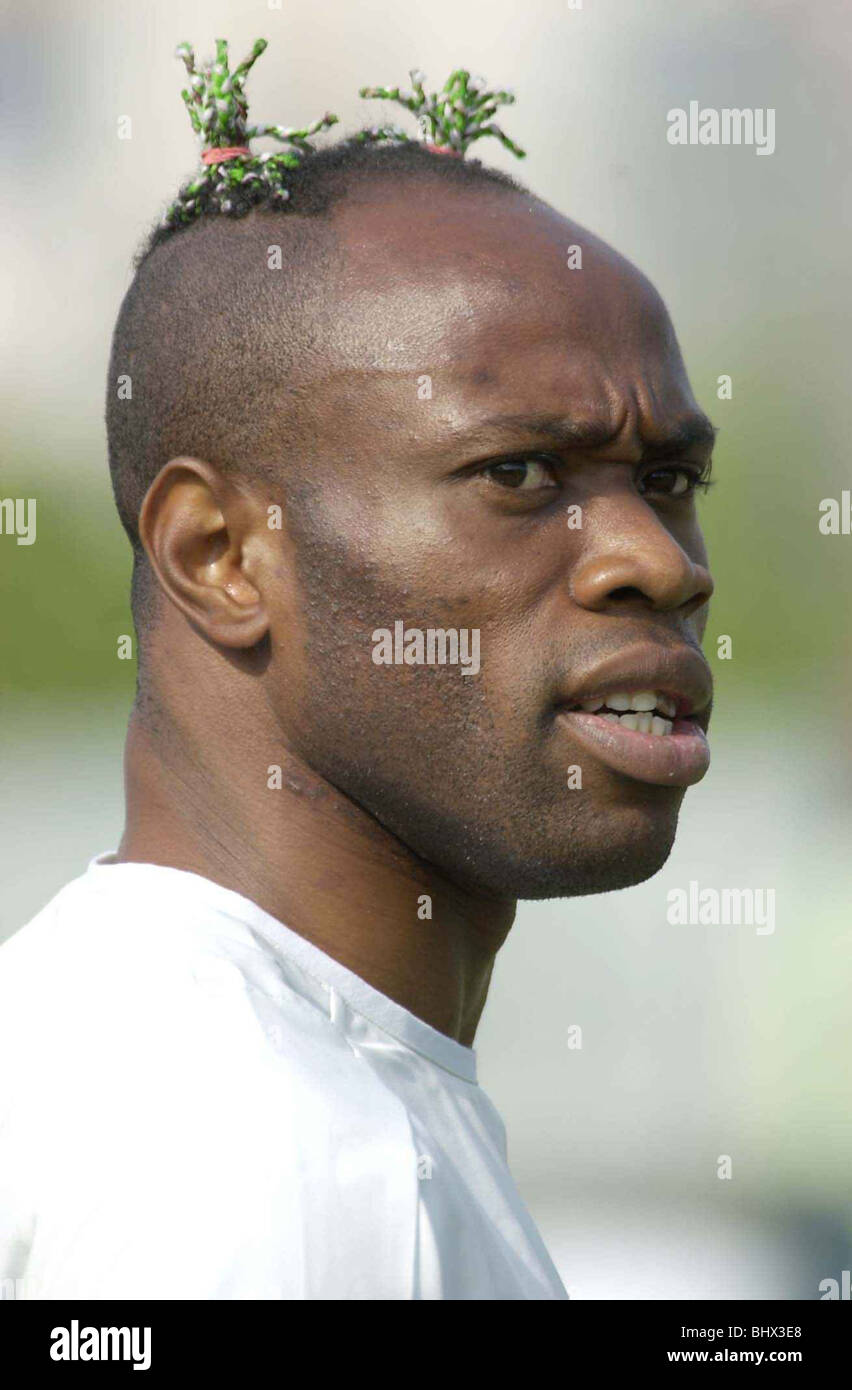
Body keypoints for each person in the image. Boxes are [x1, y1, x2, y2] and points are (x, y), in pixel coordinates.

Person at [0, 39, 715, 1300]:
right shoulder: (288, 1164)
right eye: (518, 475)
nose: (656, 562)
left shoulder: (138, 1045)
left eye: (665, 480)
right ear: (218, 554)